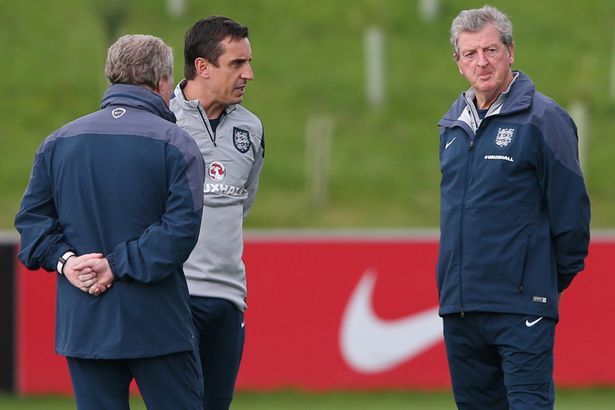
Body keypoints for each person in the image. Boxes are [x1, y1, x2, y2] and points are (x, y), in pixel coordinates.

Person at [15, 34, 205, 410]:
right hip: (159, 325)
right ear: (162, 82)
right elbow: (180, 232)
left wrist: (68, 263)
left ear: (111, 76)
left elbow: (32, 227)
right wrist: (115, 265)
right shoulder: (177, 143)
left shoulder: (57, 143)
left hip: (85, 324)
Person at [436, 5, 590, 410]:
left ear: (510, 51)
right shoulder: (451, 127)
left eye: (490, 50)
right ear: (458, 62)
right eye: (470, 54)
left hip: (522, 308)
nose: (481, 62)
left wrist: (539, 281)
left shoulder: (545, 119)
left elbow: (571, 216)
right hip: (462, 309)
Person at [169, 16, 265, 410]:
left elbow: (242, 202)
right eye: (237, 64)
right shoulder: (162, 121)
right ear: (202, 67)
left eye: (249, 62)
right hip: (174, 294)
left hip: (228, 297)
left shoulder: (252, 127)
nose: (249, 74)